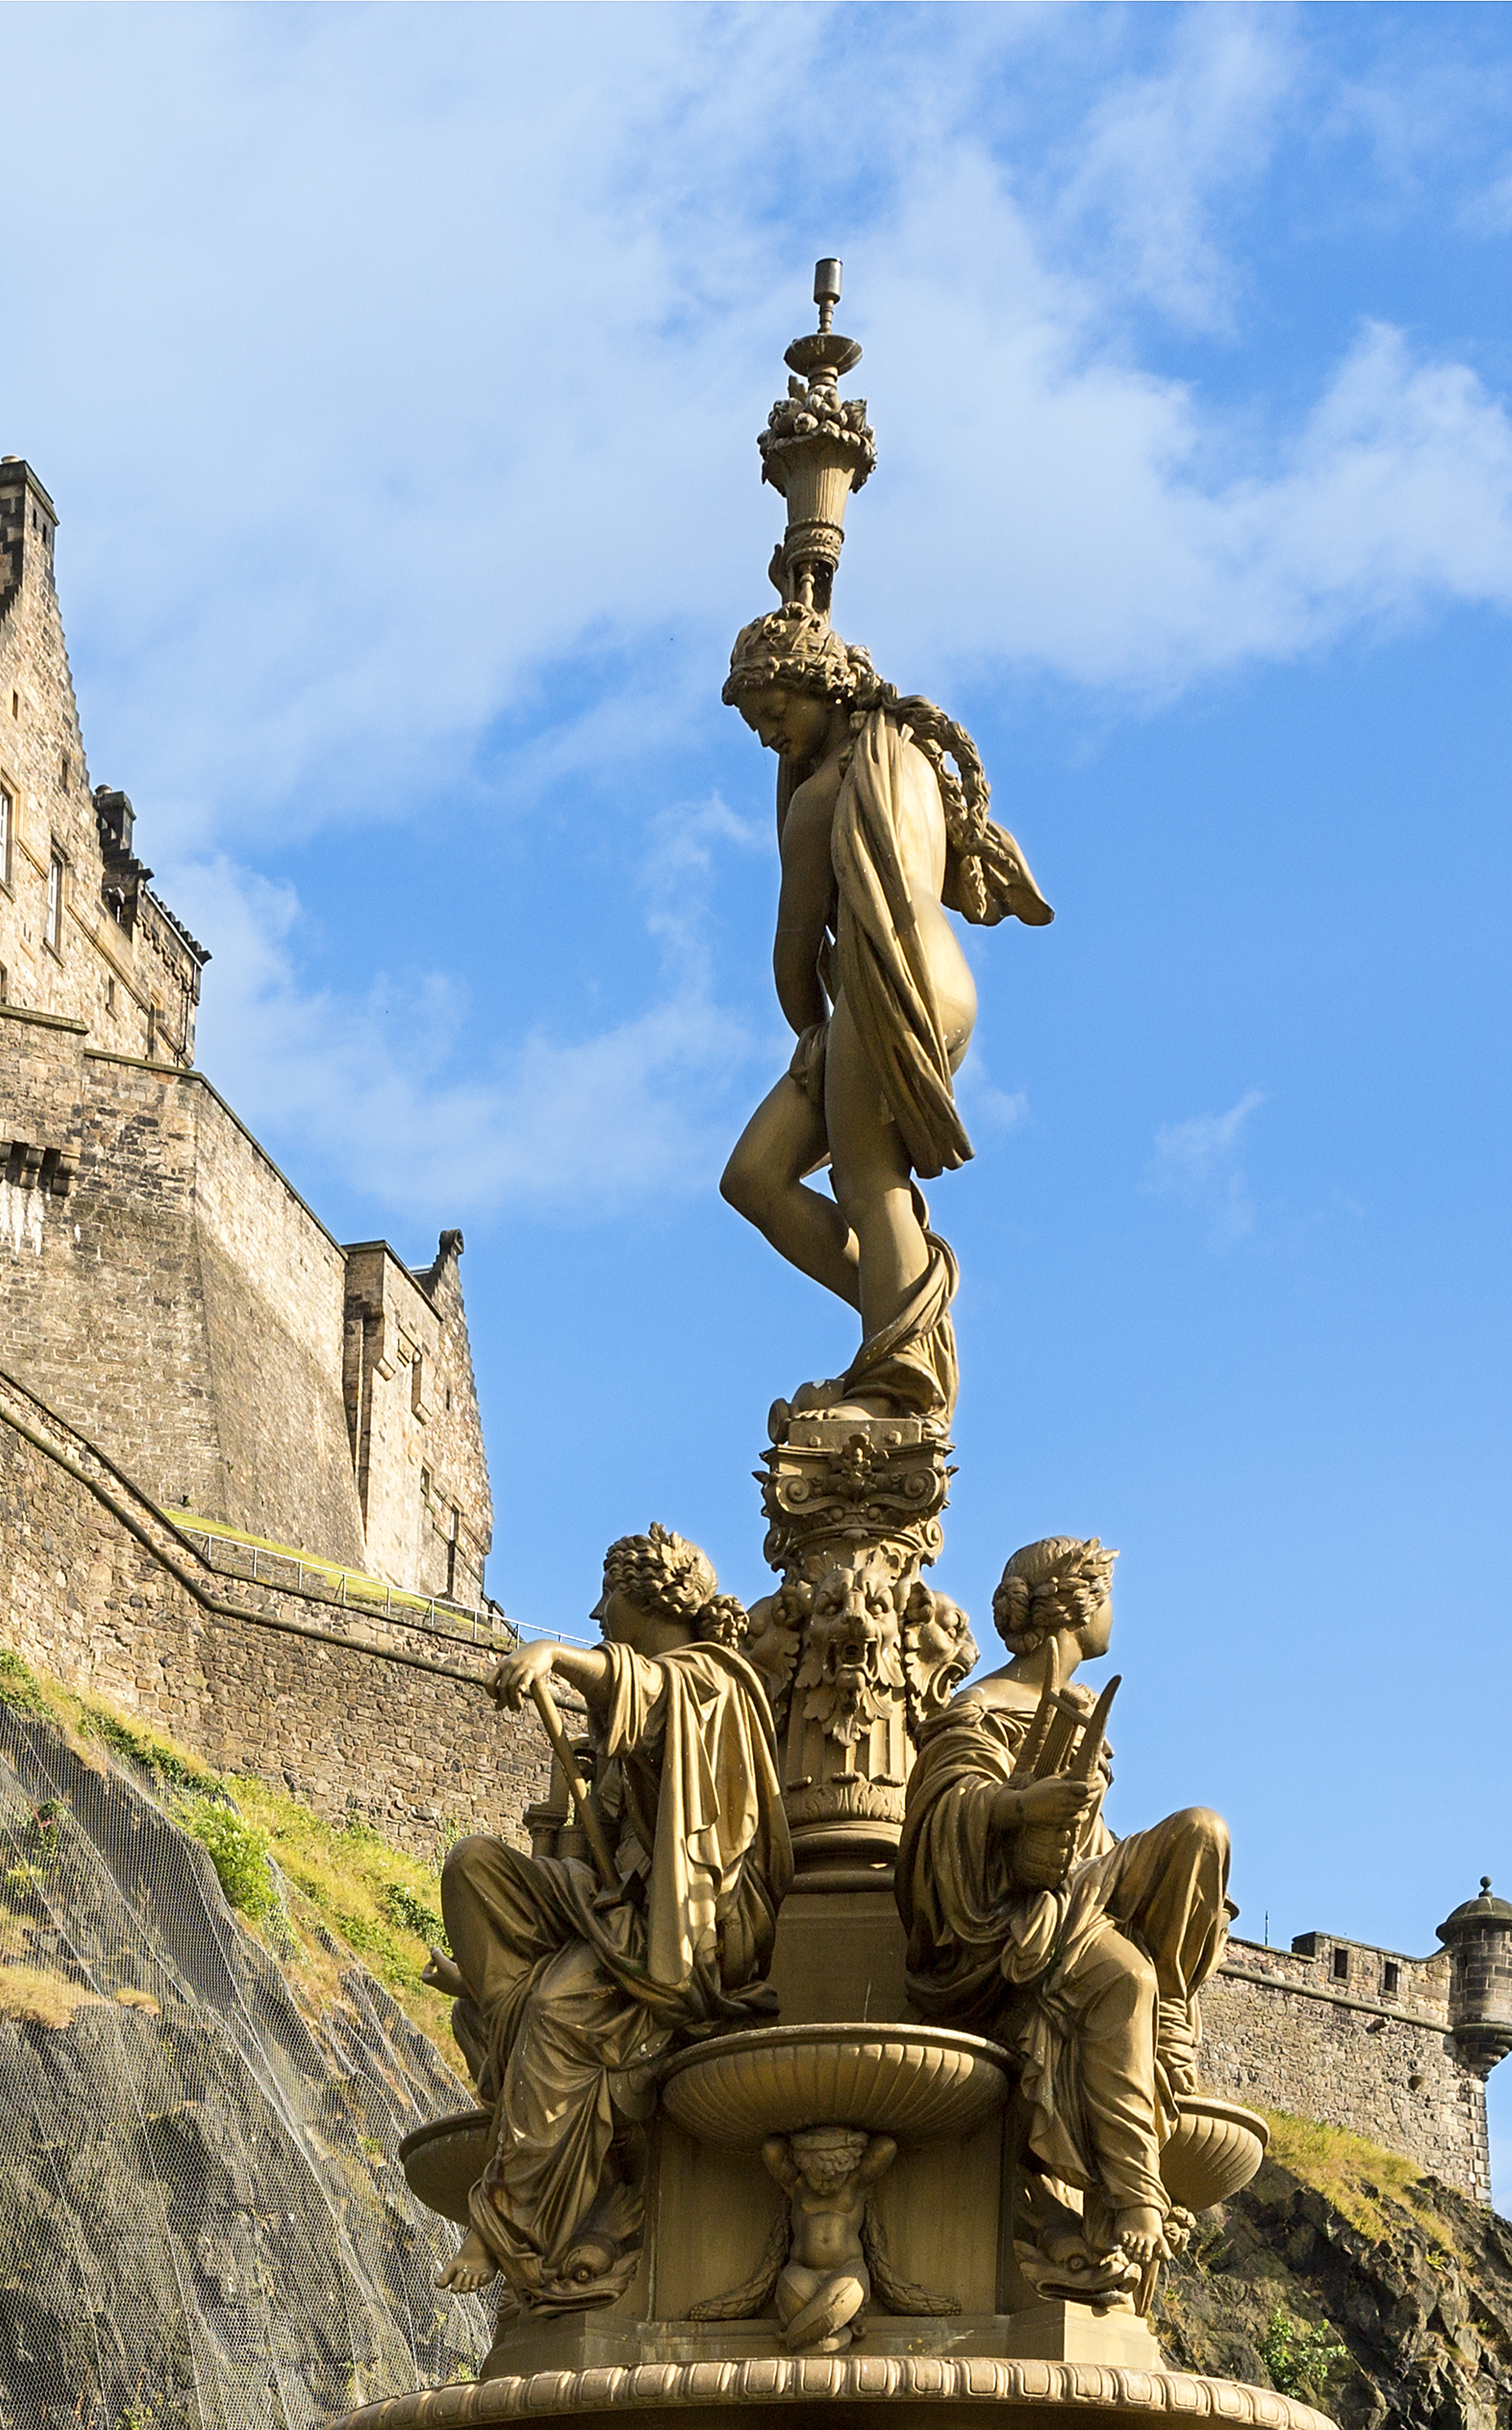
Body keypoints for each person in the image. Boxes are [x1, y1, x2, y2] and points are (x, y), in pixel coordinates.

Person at [434, 1525, 791, 2312]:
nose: (595, 1610)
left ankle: (508, 2222)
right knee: (474, 1869)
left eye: (610, 1594)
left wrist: (553, 1658)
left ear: (653, 1599)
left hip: (696, 1929)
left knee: (561, 2011)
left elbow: (650, 1693)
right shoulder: (633, 1713)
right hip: (620, 1906)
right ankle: (510, 2007)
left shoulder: (711, 1681)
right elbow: (600, 1852)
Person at [712, 602, 1051, 1418]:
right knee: (756, 1176)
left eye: (774, 713)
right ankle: (901, 1319)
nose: (767, 737)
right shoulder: (904, 753)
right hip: (945, 984)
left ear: (814, 686)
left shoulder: (822, 794)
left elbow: (793, 954)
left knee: (870, 1180)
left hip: (882, 983)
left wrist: (810, 1033)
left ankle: (903, 1373)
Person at [899, 1536, 1229, 2306]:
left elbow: (1093, 1845)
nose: (1113, 1609)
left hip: (1079, 1889)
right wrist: (1022, 1806)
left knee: (1203, 1831)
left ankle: (1172, 2010)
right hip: (1005, 1922)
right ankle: (1133, 2189)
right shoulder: (978, 1709)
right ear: (1075, 1603)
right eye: (1107, 1592)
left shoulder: (1080, 1713)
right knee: (1122, 1976)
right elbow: (936, 1822)